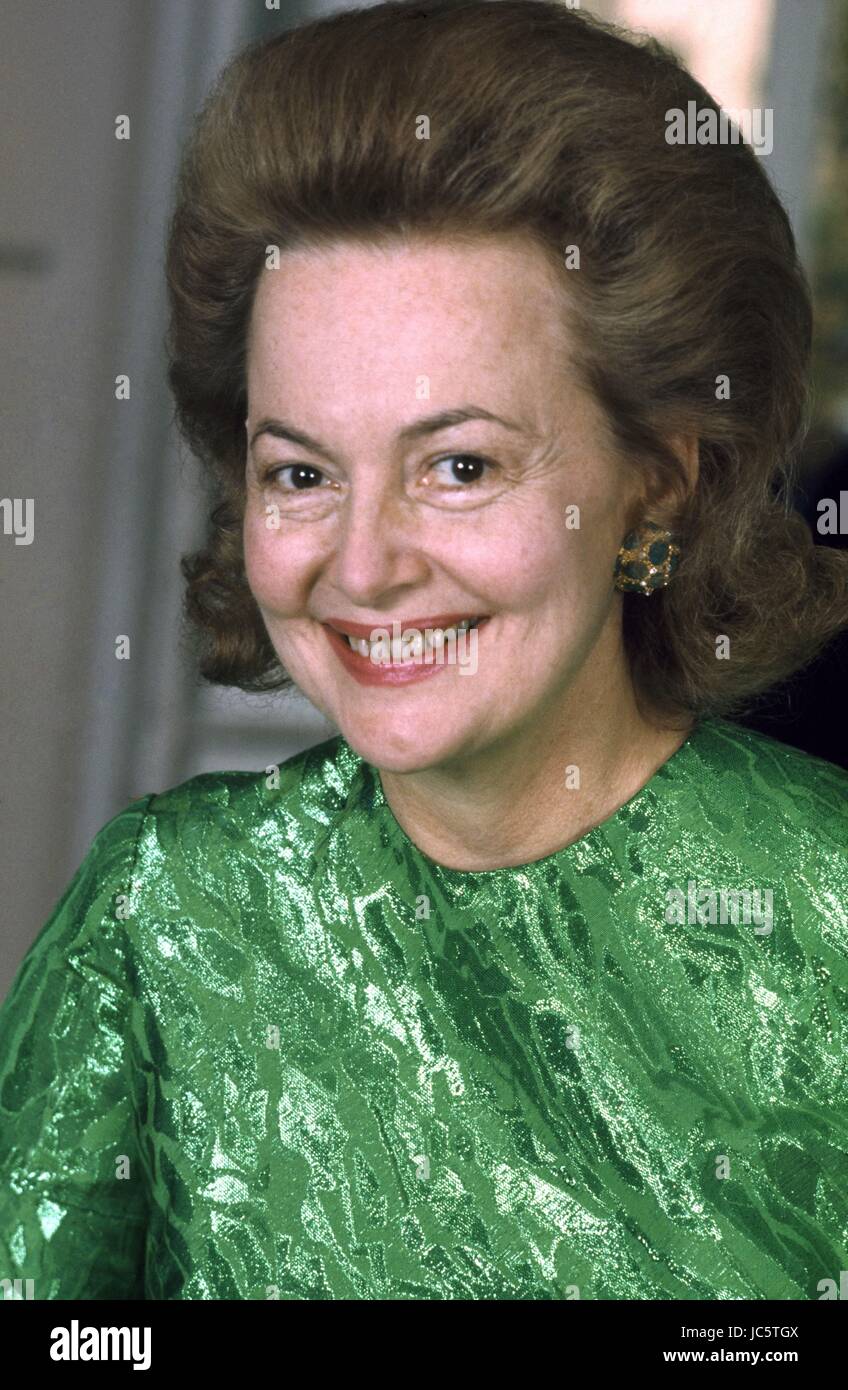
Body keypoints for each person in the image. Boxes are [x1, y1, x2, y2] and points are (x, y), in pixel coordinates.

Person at [1, 0, 846, 1301]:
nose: (363, 561)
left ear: (659, 488)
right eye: (300, 471)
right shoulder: (161, 917)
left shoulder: (826, 916)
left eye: (459, 465)